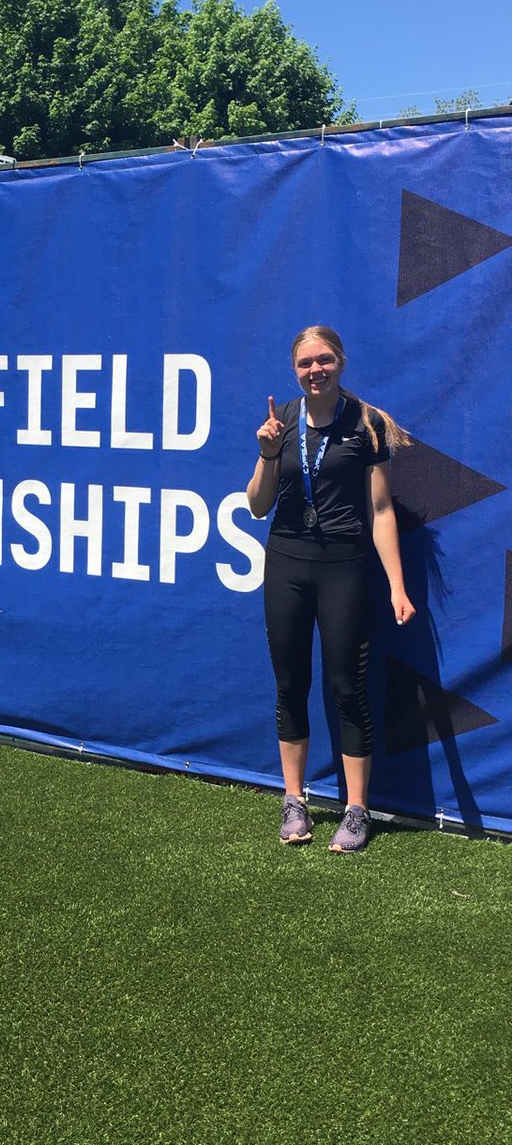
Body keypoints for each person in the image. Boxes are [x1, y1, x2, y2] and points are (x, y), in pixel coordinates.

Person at [246, 325, 415, 852]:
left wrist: (397, 585)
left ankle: (356, 809)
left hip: (344, 566)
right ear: (294, 370)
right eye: (305, 363)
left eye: (323, 360)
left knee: (347, 686)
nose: (314, 370)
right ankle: (294, 800)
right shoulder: (283, 423)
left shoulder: (367, 423)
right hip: (286, 564)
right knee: (290, 683)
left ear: (340, 361)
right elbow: (256, 505)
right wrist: (267, 454)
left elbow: (382, 511)